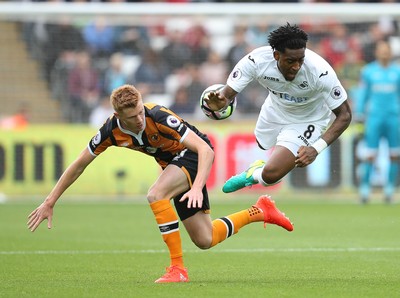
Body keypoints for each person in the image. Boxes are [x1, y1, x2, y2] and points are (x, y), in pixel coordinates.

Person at [27, 84, 294, 284]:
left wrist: (197, 185)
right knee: (205, 239)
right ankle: (260, 211)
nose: (140, 119)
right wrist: (50, 201)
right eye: (132, 117)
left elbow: (205, 150)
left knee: (156, 194)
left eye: (141, 111)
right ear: (118, 115)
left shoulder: (159, 116)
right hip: (174, 167)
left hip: (192, 156)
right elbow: (79, 163)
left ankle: (177, 268)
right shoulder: (110, 131)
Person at [204, 23, 352, 194]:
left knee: (271, 175)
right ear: (276, 55)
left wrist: (316, 148)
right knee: (261, 144)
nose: (297, 66)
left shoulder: (320, 72)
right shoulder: (256, 61)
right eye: (290, 61)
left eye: (300, 60)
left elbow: (345, 115)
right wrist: (219, 105)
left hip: (308, 120)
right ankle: (259, 166)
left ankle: (253, 175)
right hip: (274, 109)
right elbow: (226, 96)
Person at [355, 40, 400, 204]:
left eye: (386, 50)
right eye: (381, 50)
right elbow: (363, 94)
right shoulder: (368, 71)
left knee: (395, 155)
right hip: (374, 118)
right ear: (376, 52)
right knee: (370, 155)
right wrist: (359, 115)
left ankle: (389, 189)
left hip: (394, 118)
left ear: (390, 52)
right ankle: (365, 189)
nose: (384, 53)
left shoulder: (398, 72)